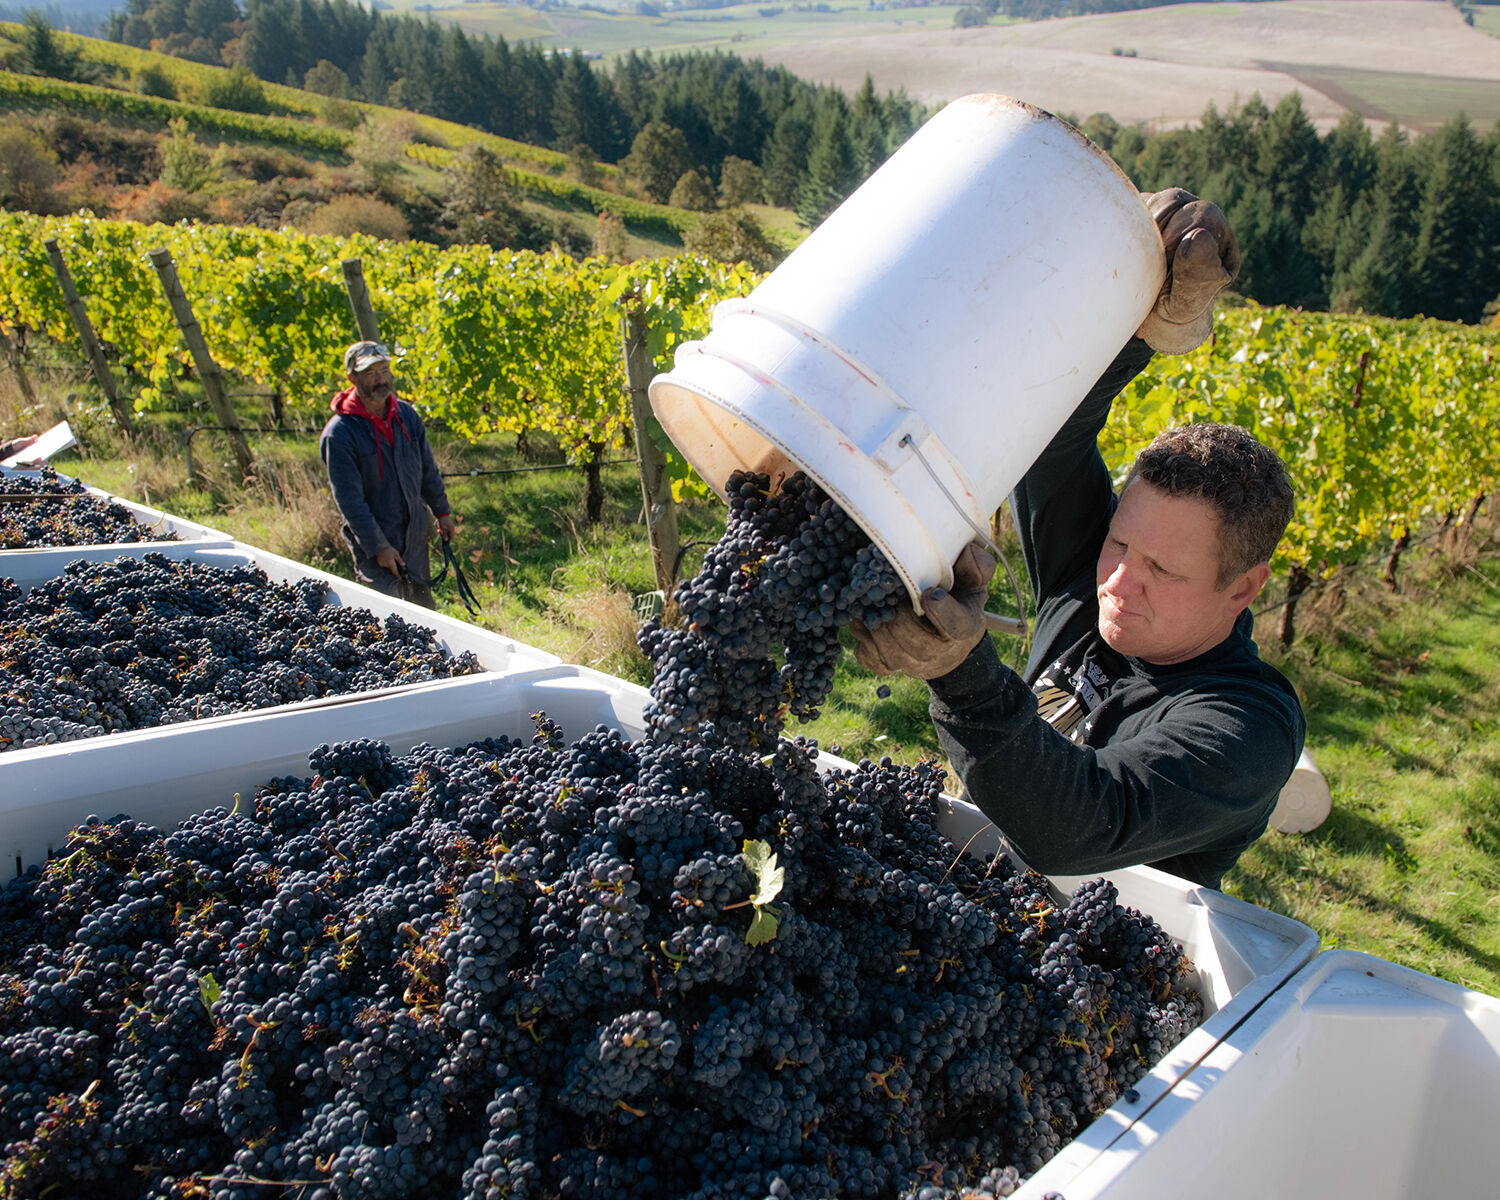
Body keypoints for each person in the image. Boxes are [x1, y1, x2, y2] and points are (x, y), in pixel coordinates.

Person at [853, 188, 1306, 890]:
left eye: (1164, 569)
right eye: (1121, 544)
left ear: (1244, 586)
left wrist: (961, 674)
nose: (1119, 582)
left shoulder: (1247, 728)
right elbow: (1049, 431)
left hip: (1100, 972)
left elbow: (1078, 826)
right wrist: (1142, 322)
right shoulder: (1090, 572)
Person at [320, 341, 456, 610]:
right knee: (389, 615)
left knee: (424, 610)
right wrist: (378, 547)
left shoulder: (406, 416)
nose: (380, 379)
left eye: (384, 370)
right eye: (370, 373)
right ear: (352, 378)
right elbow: (349, 500)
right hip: (374, 538)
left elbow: (427, 469)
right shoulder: (340, 434)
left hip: (413, 532)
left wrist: (442, 512)